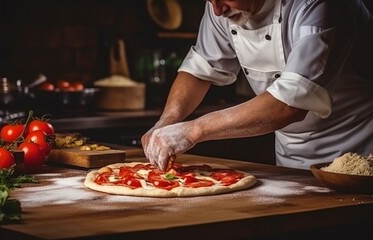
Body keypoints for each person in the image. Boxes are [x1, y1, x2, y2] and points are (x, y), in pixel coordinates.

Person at [141, 0, 373, 171]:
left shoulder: (319, 4)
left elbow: (290, 104)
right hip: (289, 160)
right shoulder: (221, 7)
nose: (217, 10)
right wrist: (167, 122)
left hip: (358, 156)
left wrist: (194, 130)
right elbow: (200, 70)